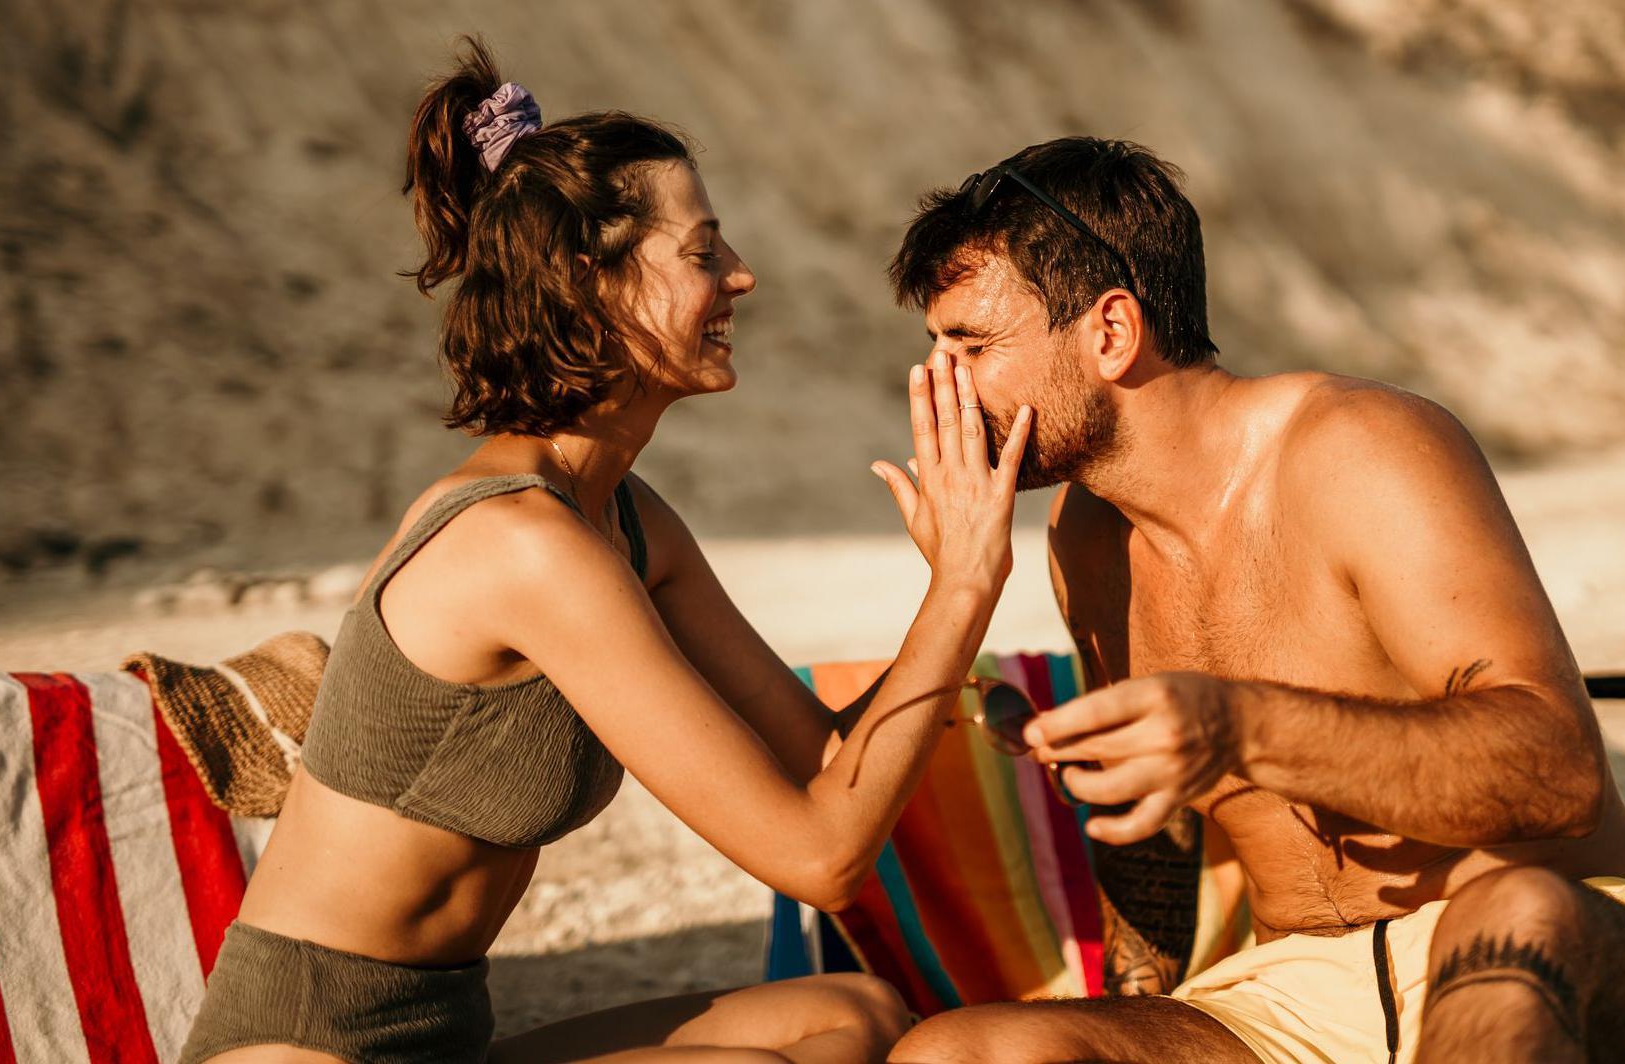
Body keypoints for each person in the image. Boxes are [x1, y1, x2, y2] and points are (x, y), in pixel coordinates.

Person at [180, 39, 1034, 1064]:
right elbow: (818, 854)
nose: (741, 275)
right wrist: (965, 580)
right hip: (301, 1046)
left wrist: (973, 671)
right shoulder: (520, 543)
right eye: (702, 251)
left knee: (850, 1015)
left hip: (446, 1035)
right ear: (592, 280)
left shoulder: (622, 519)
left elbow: (816, 755)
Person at [882, 138, 1625, 1064]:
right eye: (934, 347)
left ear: (1111, 332)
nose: (937, 383)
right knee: (956, 1052)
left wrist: (1240, 725)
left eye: (971, 345)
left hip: (1530, 946)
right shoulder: (1086, 537)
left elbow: (1560, 774)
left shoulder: (1360, 447)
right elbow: (1154, 836)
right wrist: (1130, 1007)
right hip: (1291, 1002)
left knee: (1511, 917)